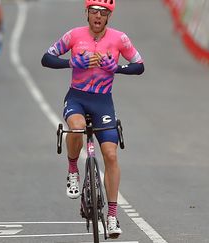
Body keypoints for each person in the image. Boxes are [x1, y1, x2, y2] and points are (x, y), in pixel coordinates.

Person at [41, 0, 144, 238]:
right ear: (86, 13)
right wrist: (71, 62)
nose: (98, 16)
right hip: (77, 98)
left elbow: (139, 65)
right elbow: (46, 58)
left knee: (110, 153)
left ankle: (112, 216)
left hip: (103, 101)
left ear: (109, 17)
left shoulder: (120, 39)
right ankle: (73, 170)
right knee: (76, 128)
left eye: (103, 13)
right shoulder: (74, 35)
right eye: (94, 12)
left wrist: (116, 68)